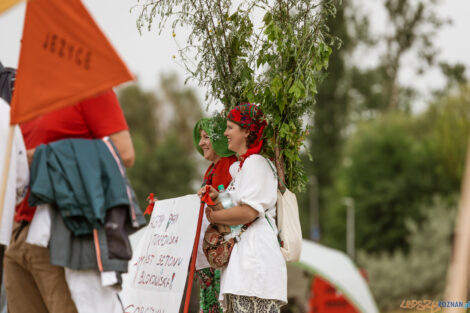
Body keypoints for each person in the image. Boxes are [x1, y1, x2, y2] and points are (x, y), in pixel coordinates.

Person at [4, 90, 135, 313]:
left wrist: (46, 155)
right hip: (17, 229)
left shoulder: (90, 89)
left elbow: (124, 153)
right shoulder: (23, 97)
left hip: (62, 229)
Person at [198, 103, 287, 313]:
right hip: (244, 271)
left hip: (255, 269)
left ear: (246, 131)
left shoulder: (256, 163)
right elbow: (238, 205)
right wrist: (218, 196)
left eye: (230, 127)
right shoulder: (243, 166)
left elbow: (247, 212)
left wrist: (214, 216)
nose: (226, 133)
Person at [193, 114, 237, 313]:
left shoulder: (230, 165)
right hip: (212, 254)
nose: (201, 142)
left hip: (225, 254)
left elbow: (233, 205)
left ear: (219, 137)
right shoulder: (211, 169)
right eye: (200, 137)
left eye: (206, 137)